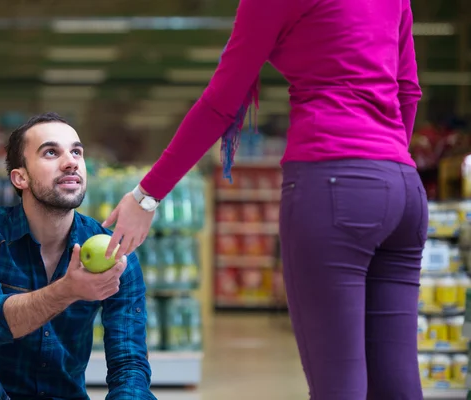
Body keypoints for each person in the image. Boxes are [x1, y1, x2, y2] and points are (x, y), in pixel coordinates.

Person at [102, 0, 425, 399]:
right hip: (404, 187)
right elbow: (407, 90)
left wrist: (147, 195)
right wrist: (386, 170)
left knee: (338, 387)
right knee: (398, 384)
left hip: (333, 183)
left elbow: (221, 102)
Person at [0, 113, 157, 400]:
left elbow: (129, 365)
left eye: (76, 151)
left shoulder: (111, 252)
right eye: (51, 152)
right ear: (21, 177)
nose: (71, 162)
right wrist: (67, 290)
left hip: (64, 395)